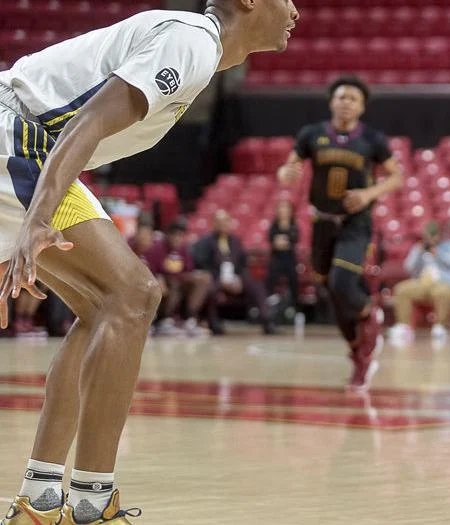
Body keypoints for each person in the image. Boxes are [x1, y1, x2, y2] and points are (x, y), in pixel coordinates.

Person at [0, 1, 298, 523]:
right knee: (133, 294)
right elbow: (87, 123)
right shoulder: (192, 39)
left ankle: (40, 500)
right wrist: (36, 219)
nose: (295, 10)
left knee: (102, 310)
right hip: (17, 135)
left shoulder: (192, 48)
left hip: (26, 142)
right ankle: (93, 505)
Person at [277, 75, 403, 391]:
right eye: (342, 97)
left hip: (355, 222)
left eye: (353, 99)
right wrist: (286, 172)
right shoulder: (311, 134)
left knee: (342, 281)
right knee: (333, 294)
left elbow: (396, 177)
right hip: (321, 221)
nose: (346, 103)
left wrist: (368, 194)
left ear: (362, 107)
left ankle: (369, 314)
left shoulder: (372, 139)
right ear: (332, 101)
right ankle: (358, 351)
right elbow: (287, 170)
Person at [192, 209, 276, 336]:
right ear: (214, 224)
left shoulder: (235, 241)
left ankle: (266, 320)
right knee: (210, 289)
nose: (224, 224)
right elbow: (201, 264)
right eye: (220, 222)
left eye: (226, 221)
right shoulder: (205, 242)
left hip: (235, 277)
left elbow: (243, 263)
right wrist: (220, 280)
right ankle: (214, 323)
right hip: (215, 278)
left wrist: (238, 279)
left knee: (256, 285)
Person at [387, 221, 450, 346]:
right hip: (421, 284)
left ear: (439, 234)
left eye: (433, 235)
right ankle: (403, 326)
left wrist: (437, 253)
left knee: (443, 292)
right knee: (401, 289)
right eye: (428, 235)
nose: (431, 238)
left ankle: (440, 327)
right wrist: (418, 252)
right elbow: (408, 267)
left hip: (443, 283)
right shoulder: (419, 247)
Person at [153, 223, 212, 337]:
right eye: (174, 235)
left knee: (202, 280)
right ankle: (165, 320)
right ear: (167, 236)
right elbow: (154, 270)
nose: (177, 239)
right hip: (165, 282)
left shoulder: (183, 249)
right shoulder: (159, 248)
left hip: (180, 281)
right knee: (173, 283)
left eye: (180, 236)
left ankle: (190, 319)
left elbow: (189, 270)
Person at [267, 199, 300, 309]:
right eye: (281, 208)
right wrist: (278, 242)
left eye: (286, 208)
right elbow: (271, 238)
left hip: (289, 258)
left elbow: (294, 238)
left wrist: (282, 241)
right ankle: (270, 300)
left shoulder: (294, 224)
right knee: (271, 276)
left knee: (293, 279)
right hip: (276, 258)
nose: (283, 211)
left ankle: (294, 305)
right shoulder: (274, 225)